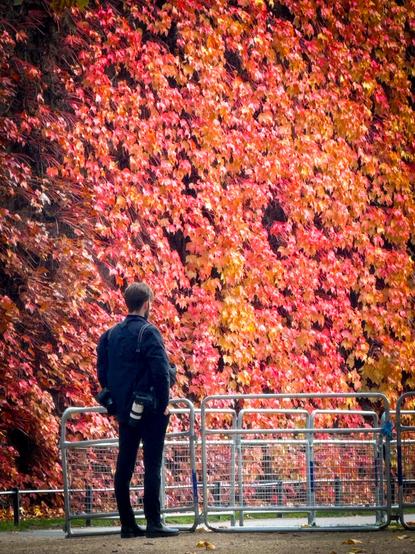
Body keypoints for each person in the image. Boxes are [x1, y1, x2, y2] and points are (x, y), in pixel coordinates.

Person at [96, 282, 179, 539]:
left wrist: (119, 398)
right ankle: (154, 521)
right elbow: (161, 373)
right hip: (151, 411)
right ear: (146, 304)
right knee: (152, 464)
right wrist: (164, 403)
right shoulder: (149, 333)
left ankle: (127, 524)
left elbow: (103, 373)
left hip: (125, 411)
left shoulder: (110, 335)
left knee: (125, 464)